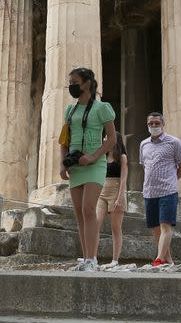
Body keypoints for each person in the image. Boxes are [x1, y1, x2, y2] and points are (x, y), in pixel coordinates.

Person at [60, 67, 117, 272]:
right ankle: (85, 259)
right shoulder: (70, 110)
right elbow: (64, 139)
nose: (71, 86)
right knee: (79, 214)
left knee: (88, 209)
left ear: (87, 83)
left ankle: (92, 259)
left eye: (75, 81)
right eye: (70, 82)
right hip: (75, 164)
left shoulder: (103, 108)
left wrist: (93, 156)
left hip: (95, 163)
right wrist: (62, 162)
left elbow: (112, 139)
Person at [139, 112, 181, 267]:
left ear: (163, 124)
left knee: (165, 226)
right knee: (155, 229)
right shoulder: (143, 144)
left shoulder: (174, 142)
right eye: (150, 123)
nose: (154, 126)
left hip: (168, 191)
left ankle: (159, 259)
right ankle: (169, 260)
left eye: (156, 123)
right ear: (147, 125)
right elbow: (145, 166)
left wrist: (171, 180)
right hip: (149, 191)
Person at [96, 130, 127, 268]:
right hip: (101, 192)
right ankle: (92, 257)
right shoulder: (102, 156)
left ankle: (115, 260)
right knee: (95, 224)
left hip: (116, 191)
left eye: (106, 137)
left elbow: (123, 178)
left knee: (115, 228)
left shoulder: (122, 157)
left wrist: (119, 198)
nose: (104, 139)